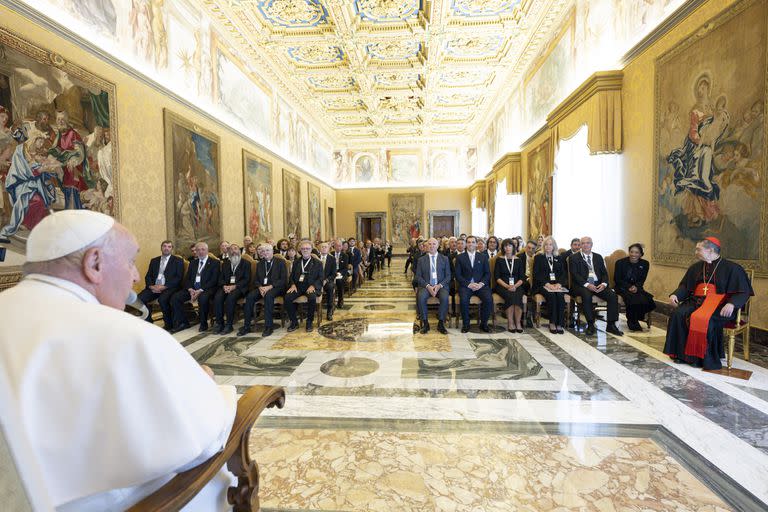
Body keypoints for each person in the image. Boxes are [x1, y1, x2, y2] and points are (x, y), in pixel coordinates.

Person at [0, 210, 236, 511]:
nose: (136, 275)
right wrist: (206, 385)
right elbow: (201, 442)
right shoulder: (126, 335)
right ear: (95, 263)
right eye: (129, 262)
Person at [663, 237, 753, 370]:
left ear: (710, 250)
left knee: (704, 319)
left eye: (698, 249)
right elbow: (685, 287)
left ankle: (703, 359)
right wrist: (675, 295)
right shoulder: (695, 267)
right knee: (678, 313)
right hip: (696, 301)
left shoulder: (733, 268)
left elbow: (743, 291)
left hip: (720, 305)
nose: (695, 252)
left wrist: (732, 304)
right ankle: (682, 355)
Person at [568, 236, 623, 336]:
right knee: (586, 295)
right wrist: (587, 285)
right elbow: (575, 275)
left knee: (612, 295)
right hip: (581, 285)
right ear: (580, 245)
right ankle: (590, 324)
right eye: (583, 243)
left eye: (588, 243)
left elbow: (604, 274)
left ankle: (611, 325)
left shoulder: (598, 257)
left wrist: (604, 284)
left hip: (598, 284)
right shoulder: (573, 258)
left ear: (591, 245)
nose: (585, 245)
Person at [171, 241, 220, 333]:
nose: (200, 252)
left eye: (203, 249)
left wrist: (200, 290)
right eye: (198, 250)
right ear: (196, 252)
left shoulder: (214, 263)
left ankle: (203, 323)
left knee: (203, 298)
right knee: (175, 297)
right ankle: (183, 322)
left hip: (207, 288)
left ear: (207, 250)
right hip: (192, 289)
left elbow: (213, 280)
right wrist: (190, 289)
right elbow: (188, 279)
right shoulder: (193, 263)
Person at [238, 244, 286, 337]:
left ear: (272, 251)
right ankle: (247, 326)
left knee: (268, 296)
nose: (265, 253)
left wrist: (269, 287)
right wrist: (260, 287)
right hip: (262, 288)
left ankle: (269, 327)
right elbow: (256, 279)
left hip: (276, 288)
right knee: (250, 297)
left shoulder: (280, 262)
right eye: (263, 251)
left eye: (268, 250)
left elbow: (283, 279)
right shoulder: (259, 263)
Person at [138, 239, 184, 330]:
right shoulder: (154, 260)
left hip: (169, 287)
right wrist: (151, 286)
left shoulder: (178, 261)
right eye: (164, 246)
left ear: (172, 249)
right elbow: (148, 276)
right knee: (140, 298)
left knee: (163, 299)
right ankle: (148, 321)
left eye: (169, 247)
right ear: (161, 248)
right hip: (154, 287)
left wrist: (164, 286)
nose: (166, 248)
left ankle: (168, 323)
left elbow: (178, 278)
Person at [454, 235, 492, 333]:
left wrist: (481, 284)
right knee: (464, 300)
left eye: (473, 242)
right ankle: (466, 324)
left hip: (480, 285)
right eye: (469, 242)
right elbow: (458, 275)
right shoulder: (460, 257)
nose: (471, 244)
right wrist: (468, 284)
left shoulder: (483, 257)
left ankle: (484, 324)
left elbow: (487, 273)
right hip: (466, 285)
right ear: (466, 244)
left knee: (488, 299)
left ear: (476, 244)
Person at [614, 243, 656, 332]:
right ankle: (632, 321)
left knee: (648, 300)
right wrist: (629, 287)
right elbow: (617, 279)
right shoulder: (620, 263)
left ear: (641, 254)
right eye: (631, 252)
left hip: (637, 287)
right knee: (633, 299)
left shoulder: (645, 264)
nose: (633, 254)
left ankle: (636, 317)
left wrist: (636, 287)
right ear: (629, 252)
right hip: (622, 287)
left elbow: (642, 279)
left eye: (636, 252)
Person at [285, 240, 323, 332]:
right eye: (303, 249)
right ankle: (294, 322)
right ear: (300, 250)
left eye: (307, 248)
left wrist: (313, 286)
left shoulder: (318, 263)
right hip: (298, 286)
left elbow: (321, 278)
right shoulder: (296, 262)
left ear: (311, 250)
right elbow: (292, 276)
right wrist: (293, 285)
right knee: (287, 297)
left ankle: (309, 322)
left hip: (310, 287)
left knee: (312, 298)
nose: (305, 250)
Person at [532, 236, 568, 334]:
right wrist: (547, 284)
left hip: (556, 285)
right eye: (546, 244)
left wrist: (559, 284)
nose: (548, 246)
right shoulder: (539, 257)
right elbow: (537, 274)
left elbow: (563, 274)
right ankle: (552, 322)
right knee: (551, 296)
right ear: (544, 246)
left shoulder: (559, 257)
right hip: (542, 285)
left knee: (560, 296)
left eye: (550, 244)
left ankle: (559, 323)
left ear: (554, 246)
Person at [212, 244, 250, 334]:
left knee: (230, 298)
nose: (233, 251)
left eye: (235, 249)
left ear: (239, 251)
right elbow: (220, 278)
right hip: (226, 287)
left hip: (239, 288)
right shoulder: (225, 264)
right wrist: (224, 286)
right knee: (218, 297)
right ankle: (220, 323)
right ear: (229, 252)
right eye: (231, 250)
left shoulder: (246, 263)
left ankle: (229, 325)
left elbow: (246, 279)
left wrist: (234, 286)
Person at [415, 238, 451, 334]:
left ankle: (441, 323)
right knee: (421, 297)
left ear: (438, 245)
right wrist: (428, 286)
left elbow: (448, 276)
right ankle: (426, 323)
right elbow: (418, 277)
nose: (431, 246)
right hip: (426, 286)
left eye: (434, 244)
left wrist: (439, 286)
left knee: (444, 297)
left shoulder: (444, 259)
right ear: (426, 246)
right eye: (429, 244)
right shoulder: (421, 260)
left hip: (441, 286)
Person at [494, 238, 526, 332]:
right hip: (502, 285)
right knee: (510, 296)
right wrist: (507, 286)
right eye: (505, 246)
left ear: (513, 247)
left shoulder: (519, 260)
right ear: (503, 248)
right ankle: (510, 322)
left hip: (517, 285)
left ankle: (518, 323)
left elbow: (522, 277)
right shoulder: (499, 260)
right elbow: (497, 277)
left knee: (518, 295)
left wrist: (515, 286)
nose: (507, 248)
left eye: (509, 246)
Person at [318, 242, 337, 321]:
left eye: (325, 247)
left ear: (328, 248)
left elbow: (334, 273)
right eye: (322, 247)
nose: (324, 248)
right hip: (317, 281)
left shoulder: (332, 259)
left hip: (327, 281)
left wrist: (326, 280)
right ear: (319, 248)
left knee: (330, 287)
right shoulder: (316, 258)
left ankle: (329, 311)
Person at [332, 239, 349, 309]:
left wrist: (339, 273)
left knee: (339, 282)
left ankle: (340, 300)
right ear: (334, 246)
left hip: (341, 273)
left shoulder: (345, 256)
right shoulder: (331, 254)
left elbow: (345, 268)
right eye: (336, 246)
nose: (338, 247)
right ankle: (330, 301)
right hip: (332, 273)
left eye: (339, 246)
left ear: (342, 247)